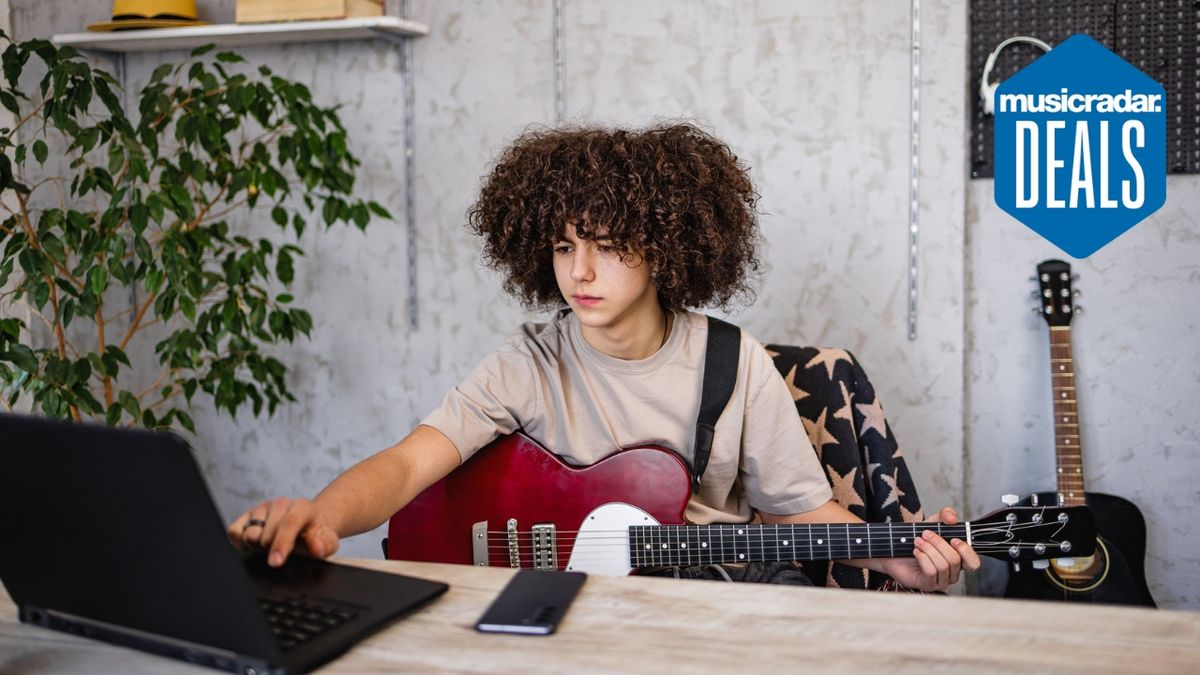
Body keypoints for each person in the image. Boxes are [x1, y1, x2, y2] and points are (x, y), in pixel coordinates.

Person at [229, 123, 981, 591]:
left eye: (608, 245)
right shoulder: (530, 361)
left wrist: (899, 557)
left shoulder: (733, 362)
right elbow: (405, 465)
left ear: (663, 248)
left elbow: (806, 513)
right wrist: (320, 513)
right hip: (564, 610)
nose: (579, 272)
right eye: (563, 246)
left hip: (698, 608)